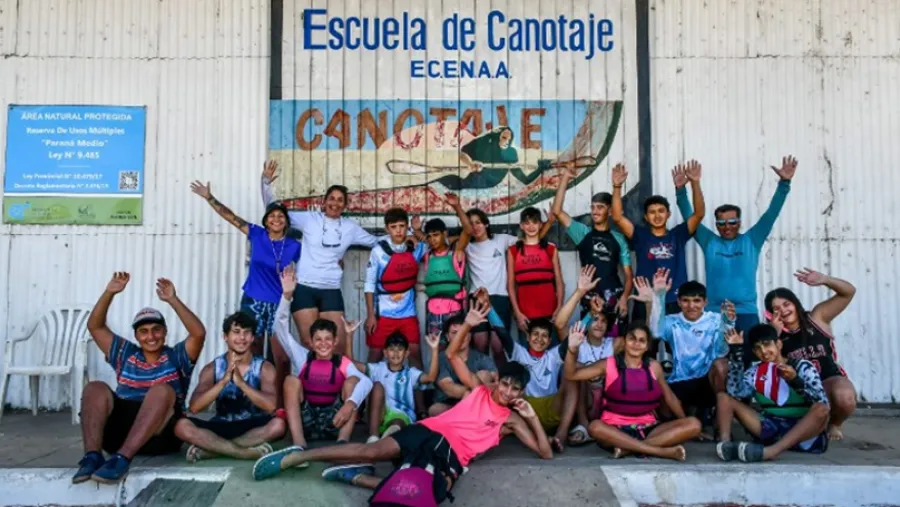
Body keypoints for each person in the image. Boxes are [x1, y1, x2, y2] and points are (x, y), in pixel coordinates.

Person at [252, 302, 553, 507]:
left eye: (515, 389)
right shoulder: (479, 389)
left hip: (451, 454)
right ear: (498, 382)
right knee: (370, 452)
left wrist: (531, 418)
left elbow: (545, 453)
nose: (507, 391)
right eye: (505, 384)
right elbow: (450, 356)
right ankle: (296, 457)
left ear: (521, 392)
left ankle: (357, 477)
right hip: (427, 430)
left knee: (428, 490)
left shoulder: (512, 420)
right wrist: (467, 325)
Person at [74, 273, 206, 484]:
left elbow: (198, 333)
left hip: (161, 435)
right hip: (120, 433)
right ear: (136, 336)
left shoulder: (176, 357)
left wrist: (172, 300)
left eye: (156, 330)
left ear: (165, 332)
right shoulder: (126, 354)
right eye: (143, 331)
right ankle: (92, 456)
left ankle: (122, 459)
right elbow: (95, 327)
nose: (151, 337)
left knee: (162, 390)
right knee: (94, 388)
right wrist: (109, 293)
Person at [191, 178, 300, 405]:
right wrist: (209, 197)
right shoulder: (257, 234)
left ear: (286, 222)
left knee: (281, 356)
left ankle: (279, 403)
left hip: (278, 303)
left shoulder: (294, 246)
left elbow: (311, 264)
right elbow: (231, 217)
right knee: (252, 349)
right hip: (253, 300)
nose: (276, 219)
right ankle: (253, 399)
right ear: (266, 221)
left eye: (281, 216)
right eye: (272, 216)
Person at [261, 159, 381, 352]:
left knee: (337, 345)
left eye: (340, 200)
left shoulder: (350, 228)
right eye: (331, 198)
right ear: (324, 202)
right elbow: (275, 212)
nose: (335, 203)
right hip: (305, 287)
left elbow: (376, 241)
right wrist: (265, 183)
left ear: (345, 205)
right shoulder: (309, 219)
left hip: (331, 289)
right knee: (310, 343)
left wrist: (410, 236)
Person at [675, 156, 798, 333]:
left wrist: (784, 183)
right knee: (717, 352)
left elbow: (771, 214)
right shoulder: (709, 241)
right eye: (721, 223)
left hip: (746, 312)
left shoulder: (751, 240)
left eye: (732, 222)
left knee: (752, 351)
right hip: (715, 312)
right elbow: (690, 217)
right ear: (716, 224)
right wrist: (681, 190)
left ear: (740, 222)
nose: (727, 227)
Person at [272, 265, 373, 458]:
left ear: (335, 342)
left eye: (328, 339)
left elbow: (367, 382)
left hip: (335, 420)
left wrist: (349, 405)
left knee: (353, 381)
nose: (323, 344)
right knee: (291, 380)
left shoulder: (342, 362)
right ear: (310, 342)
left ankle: (342, 444)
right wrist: (286, 296)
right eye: (318, 340)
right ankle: (299, 444)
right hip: (307, 420)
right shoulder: (302, 356)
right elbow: (280, 329)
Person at [564, 321, 700, 461]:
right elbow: (571, 375)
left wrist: (683, 422)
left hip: (650, 428)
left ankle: (627, 449)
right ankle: (659, 451)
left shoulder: (654, 366)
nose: (636, 344)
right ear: (624, 342)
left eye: (642, 341)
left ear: (647, 346)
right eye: (632, 338)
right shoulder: (608, 364)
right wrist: (572, 350)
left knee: (694, 424)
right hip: (615, 429)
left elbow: (669, 397)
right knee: (595, 427)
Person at [174, 311, 286, 462]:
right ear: (225, 336)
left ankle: (213, 451)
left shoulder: (264, 367)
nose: (242, 338)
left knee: (279, 425)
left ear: (253, 338)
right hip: (221, 424)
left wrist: (242, 384)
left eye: (247, 333)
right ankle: (243, 453)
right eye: (236, 332)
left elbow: (271, 406)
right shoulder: (212, 368)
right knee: (181, 426)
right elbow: (195, 407)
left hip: (252, 425)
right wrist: (223, 381)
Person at [764, 267, 856, 441]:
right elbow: (766, 365)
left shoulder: (816, 318)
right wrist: (774, 334)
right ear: (770, 314)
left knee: (845, 397)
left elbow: (849, 292)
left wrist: (825, 279)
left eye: (786, 304)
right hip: (798, 389)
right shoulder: (772, 335)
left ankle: (834, 423)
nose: (783, 310)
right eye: (776, 309)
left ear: (795, 303)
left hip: (828, 380)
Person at [640, 269, 735, 436]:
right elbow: (654, 332)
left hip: (707, 380)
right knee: (666, 414)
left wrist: (727, 324)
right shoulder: (672, 321)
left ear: (705, 301)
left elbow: (722, 351)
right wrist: (660, 295)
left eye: (697, 301)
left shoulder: (715, 320)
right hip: (679, 380)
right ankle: (693, 416)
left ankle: (719, 422)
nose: (691, 306)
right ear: (678, 301)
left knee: (721, 365)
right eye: (686, 301)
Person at [715, 325, 830, 462]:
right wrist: (736, 353)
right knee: (723, 397)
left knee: (822, 409)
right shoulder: (755, 372)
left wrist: (795, 380)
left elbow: (821, 402)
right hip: (771, 427)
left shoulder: (802, 367)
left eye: (767, 344)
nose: (763, 352)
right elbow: (736, 392)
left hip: (803, 431)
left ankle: (772, 451)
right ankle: (725, 445)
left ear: (779, 344)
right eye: (757, 348)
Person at [611, 161, 705, 321]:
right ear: (646, 217)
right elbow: (618, 217)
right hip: (646, 297)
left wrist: (695, 183)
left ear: (668, 214)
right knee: (643, 337)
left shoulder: (678, 234)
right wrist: (617, 187)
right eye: (652, 212)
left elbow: (699, 214)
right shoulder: (640, 235)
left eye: (661, 211)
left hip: (674, 300)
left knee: (674, 338)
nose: (657, 215)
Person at [465, 208, 553, 365]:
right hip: (477, 297)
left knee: (498, 346)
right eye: (470, 223)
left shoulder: (501, 239)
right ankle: (480, 379)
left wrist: (550, 222)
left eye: (478, 222)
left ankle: (502, 378)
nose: (475, 227)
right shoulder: (467, 246)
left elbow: (531, 238)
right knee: (479, 344)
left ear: (486, 224)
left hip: (500, 297)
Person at [492, 303, 579, 450]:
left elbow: (574, 335)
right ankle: (544, 439)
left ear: (550, 341)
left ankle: (561, 434)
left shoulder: (553, 356)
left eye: (544, 336)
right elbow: (502, 332)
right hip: (526, 410)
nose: (539, 339)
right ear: (527, 336)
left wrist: (592, 315)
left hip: (552, 408)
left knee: (571, 378)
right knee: (514, 388)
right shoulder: (518, 353)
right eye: (535, 334)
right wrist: (489, 307)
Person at [551, 163, 633, 319]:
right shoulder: (583, 233)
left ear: (610, 211)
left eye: (600, 207)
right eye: (593, 207)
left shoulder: (619, 238)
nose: (595, 211)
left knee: (617, 335)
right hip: (589, 296)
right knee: (589, 333)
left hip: (614, 297)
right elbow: (557, 211)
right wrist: (565, 178)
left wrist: (624, 298)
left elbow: (629, 276)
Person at [554, 266, 620, 439]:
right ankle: (581, 426)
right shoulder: (578, 341)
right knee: (575, 367)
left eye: (603, 321)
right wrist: (580, 292)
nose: (599, 324)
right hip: (582, 402)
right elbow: (559, 324)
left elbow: (643, 341)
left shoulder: (613, 344)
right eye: (595, 320)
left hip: (606, 404)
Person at [342, 328, 440, 443]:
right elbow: (350, 364)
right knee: (377, 386)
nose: (396, 353)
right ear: (385, 353)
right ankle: (373, 437)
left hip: (401, 416)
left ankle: (385, 440)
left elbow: (431, 377)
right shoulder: (377, 369)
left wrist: (434, 349)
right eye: (392, 349)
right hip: (378, 416)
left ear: (407, 353)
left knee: (397, 422)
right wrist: (349, 335)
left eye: (400, 350)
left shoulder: (411, 373)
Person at [364, 207, 427, 368]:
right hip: (383, 314)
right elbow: (369, 284)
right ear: (387, 229)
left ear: (407, 226)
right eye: (393, 227)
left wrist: (416, 232)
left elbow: (436, 244)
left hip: (408, 313)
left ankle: (419, 385)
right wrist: (371, 315)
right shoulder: (378, 252)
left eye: (402, 226)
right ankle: (369, 385)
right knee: (374, 357)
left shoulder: (416, 247)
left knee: (415, 355)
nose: (398, 231)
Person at [419, 192, 473, 369]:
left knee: (457, 349)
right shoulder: (428, 256)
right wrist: (416, 231)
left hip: (454, 310)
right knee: (437, 351)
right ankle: (440, 382)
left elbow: (468, 231)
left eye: (436, 235)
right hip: (433, 311)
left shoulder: (456, 253)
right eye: (429, 236)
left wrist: (457, 206)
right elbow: (417, 239)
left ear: (445, 234)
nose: (432, 239)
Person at [429, 311, 498, 416]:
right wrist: (472, 392)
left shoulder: (482, 358)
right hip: (450, 404)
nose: (460, 337)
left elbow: (496, 383)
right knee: (435, 409)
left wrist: (472, 392)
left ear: (470, 335)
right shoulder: (440, 358)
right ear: (447, 337)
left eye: (463, 332)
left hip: (477, 404)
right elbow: (447, 387)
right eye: (454, 333)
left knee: (484, 375)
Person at [507, 206, 565, 332]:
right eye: (527, 223)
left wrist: (559, 308)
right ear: (521, 226)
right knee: (527, 344)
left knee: (550, 343)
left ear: (540, 225)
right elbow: (510, 286)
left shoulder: (550, 249)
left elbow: (559, 282)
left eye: (534, 222)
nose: (531, 226)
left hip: (550, 312)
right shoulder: (513, 251)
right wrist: (517, 313)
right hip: (525, 315)